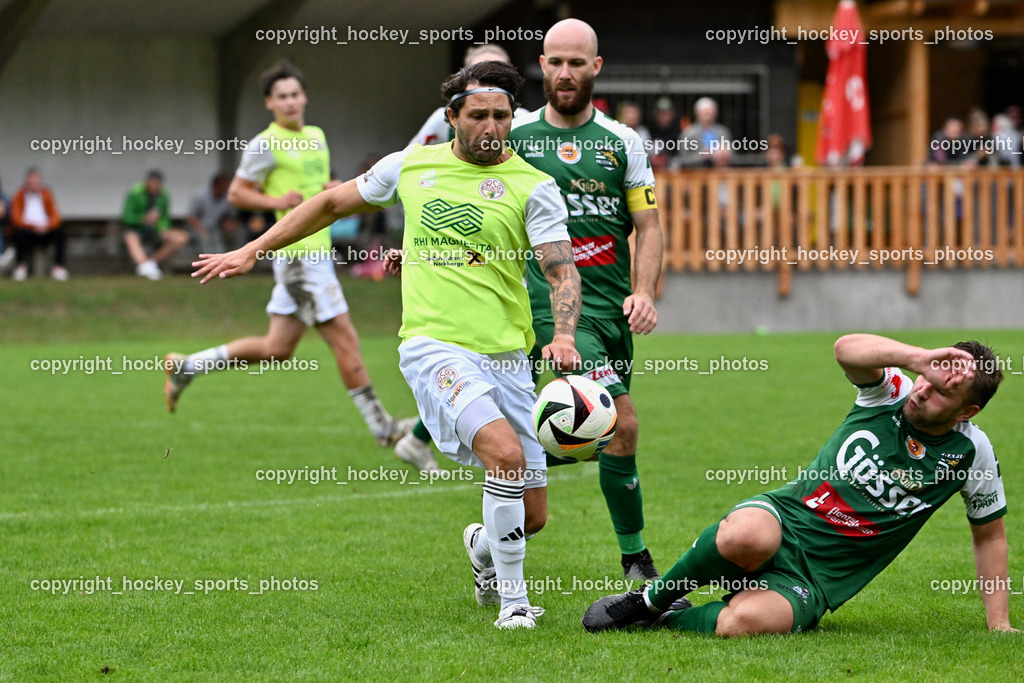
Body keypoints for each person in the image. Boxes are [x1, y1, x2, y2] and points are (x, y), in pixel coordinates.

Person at [192, 60, 582, 630]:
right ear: (453, 117)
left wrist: (565, 334)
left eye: (501, 116)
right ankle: (516, 603)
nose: (492, 126)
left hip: (508, 356)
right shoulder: (411, 165)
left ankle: (481, 548)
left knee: (533, 513)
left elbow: (560, 269)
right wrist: (255, 249)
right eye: (479, 115)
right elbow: (327, 205)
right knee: (504, 455)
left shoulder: (534, 186)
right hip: (434, 347)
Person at [583, 334, 1015, 636]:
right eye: (929, 377)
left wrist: (998, 623)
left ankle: (667, 620)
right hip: (786, 520)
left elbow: (990, 538)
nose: (924, 391)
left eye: (942, 392)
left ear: (966, 411)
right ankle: (650, 601)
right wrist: (918, 358)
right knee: (744, 535)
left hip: (817, 577)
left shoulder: (970, 454)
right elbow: (846, 349)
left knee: (742, 623)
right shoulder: (894, 390)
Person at [165, 59, 414, 456]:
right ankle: (383, 428)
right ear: (269, 103)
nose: (291, 102)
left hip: (316, 253)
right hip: (299, 257)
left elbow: (320, 195)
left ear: (304, 96)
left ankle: (189, 365)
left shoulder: (316, 135)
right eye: (281, 96)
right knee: (346, 341)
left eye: (295, 94)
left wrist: (332, 187)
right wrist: (274, 200)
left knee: (276, 349)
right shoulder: (265, 143)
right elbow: (236, 193)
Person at [508, 18, 665, 581]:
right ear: (541, 67)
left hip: (612, 309)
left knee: (587, 440)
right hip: (552, 311)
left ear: (596, 67)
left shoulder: (623, 143)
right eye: (555, 62)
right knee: (621, 424)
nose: (565, 72)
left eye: (577, 62)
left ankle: (501, 479)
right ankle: (637, 561)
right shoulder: (517, 139)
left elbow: (647, 226)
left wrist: (644, 292)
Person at [395, 42, 527, 469]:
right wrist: (413, 245)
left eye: (498, 73)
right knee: (466, 366)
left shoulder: (523, 126)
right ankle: (501, 452)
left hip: (512, 266)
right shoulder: (439, 124)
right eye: (479, 71)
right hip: (453, 274)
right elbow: (415, 180)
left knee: (515, 360)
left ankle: (519, 452)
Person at [122, 169, 190, 280]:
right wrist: (143, 219)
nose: (155, 187)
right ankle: (144, 264)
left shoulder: (163, 195)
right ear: (147, 182)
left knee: (181, 237)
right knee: (130, 238)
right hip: (138, 229)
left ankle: (150, 263)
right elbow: (127, 217)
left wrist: (163, 229)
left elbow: (165, 217)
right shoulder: (135, 192)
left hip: (156, 230)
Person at [10, 167, 67, 281]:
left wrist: (47, 226)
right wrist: (33, 226)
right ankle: (21, 267)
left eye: (36, 182)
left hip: (45, 230)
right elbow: (16, 218)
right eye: (31, 182)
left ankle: (58, 268)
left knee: (60, 232)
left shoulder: (47, 194)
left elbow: (56, 216)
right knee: (18, 233)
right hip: (28, 231)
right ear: (26, 182)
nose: (33, 185)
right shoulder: (19, 195)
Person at [186, 172, 238, 254]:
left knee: (219, 244)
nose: (227, 188)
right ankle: (208, 263)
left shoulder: (226, 199)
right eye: (225, 185)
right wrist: (202, 231)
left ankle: (221, 261)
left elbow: (225, 218)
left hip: (215, 229)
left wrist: (229, 224)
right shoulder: (201, 195)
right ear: (218, 185)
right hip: (197, 228)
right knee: (206, 241)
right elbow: (191, 218)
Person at [677, 97, 732, 168]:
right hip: (696, 174)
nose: (708, 117)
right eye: (705, 113)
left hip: (720, 173)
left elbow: (734, 157)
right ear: (697, 114)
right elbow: (682, 160)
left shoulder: (723, 132)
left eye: (710, 113)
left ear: (715, 113)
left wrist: (725, 155)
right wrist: (702, 155)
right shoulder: (688, 133)